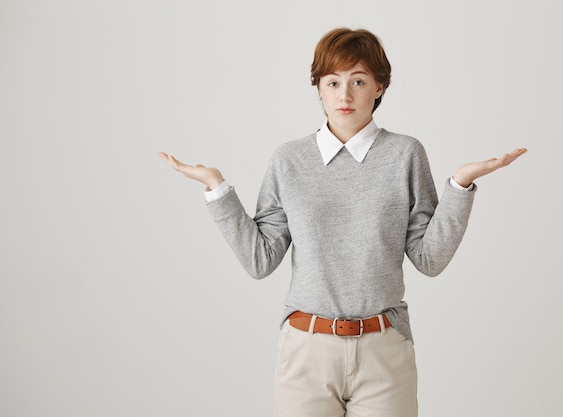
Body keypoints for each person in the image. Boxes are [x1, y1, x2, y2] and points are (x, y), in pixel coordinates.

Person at [160, 27, 526, 417]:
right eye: (332, 82)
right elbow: (260, 260)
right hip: (306, 350)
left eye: (358, 81)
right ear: (318, 87)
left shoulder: (405, 154)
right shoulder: (289, 160)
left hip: (383, 349)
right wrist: (217, 189)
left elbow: (429, 259)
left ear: (380, 87)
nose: (344, 95)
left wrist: (460, 185)